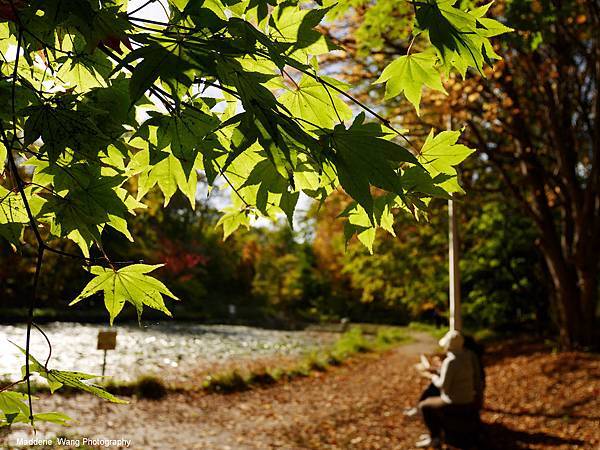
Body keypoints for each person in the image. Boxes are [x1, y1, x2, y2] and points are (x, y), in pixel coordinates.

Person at [414, 330, 479, 448]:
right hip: (468, 398)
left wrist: (432, 376)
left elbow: (443, 386)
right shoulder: (467, 356)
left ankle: (435, 437)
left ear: (448, 345)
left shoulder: (451, 361)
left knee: (425, 405)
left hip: (455, 401)